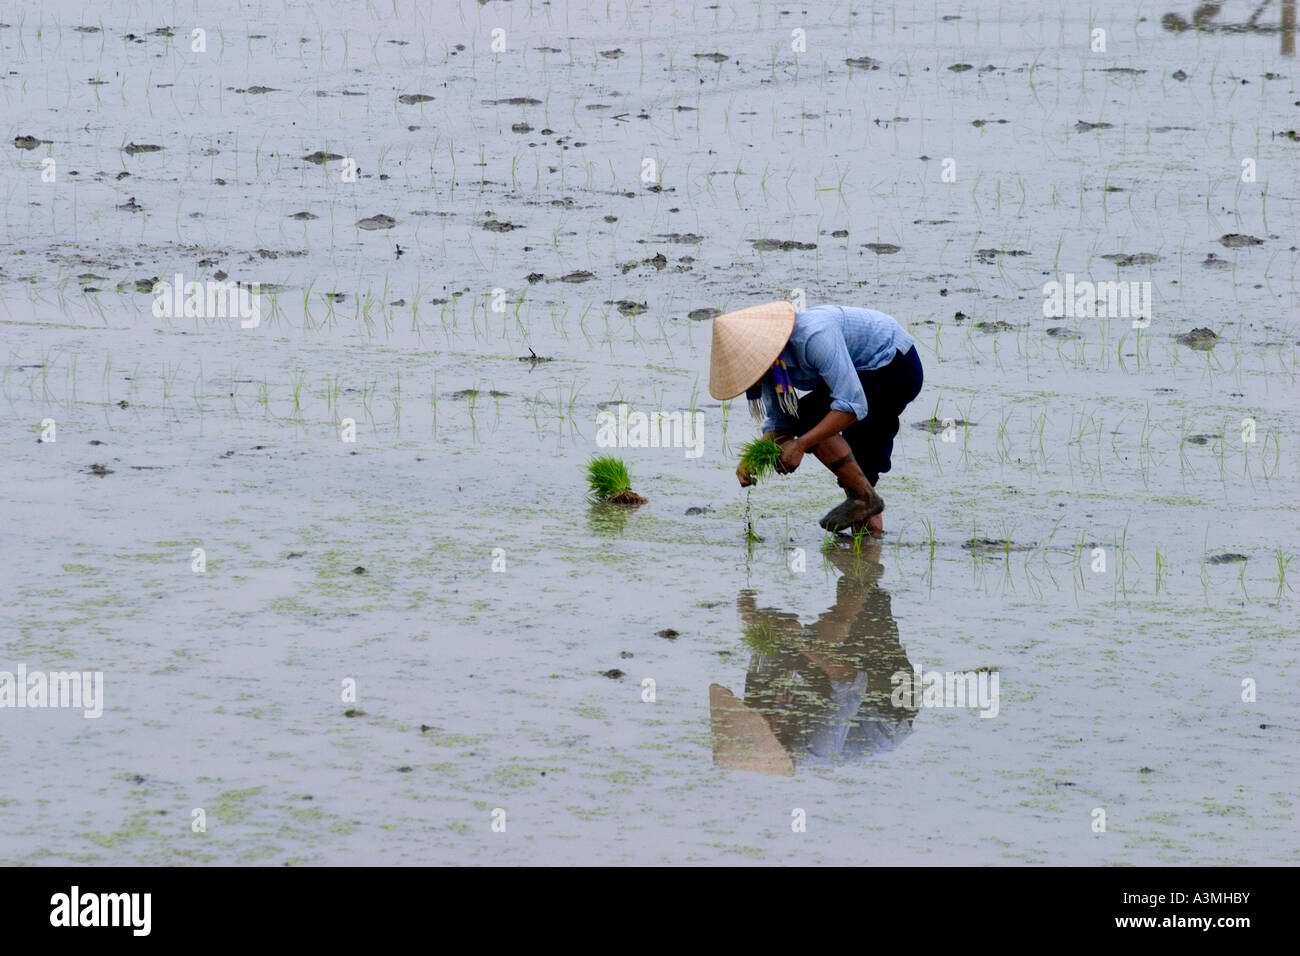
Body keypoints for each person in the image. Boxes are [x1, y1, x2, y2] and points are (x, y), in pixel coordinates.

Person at [709, 301, 924, 536]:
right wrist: (753, 459)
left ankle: (864, 501)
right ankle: (866, 555)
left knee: (812, 420)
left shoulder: (815, 337)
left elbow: (851, 406)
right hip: (860, 373)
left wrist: (801, 444)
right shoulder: (770, 367)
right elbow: (781, 423)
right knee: (860, 470)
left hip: (893, 366)